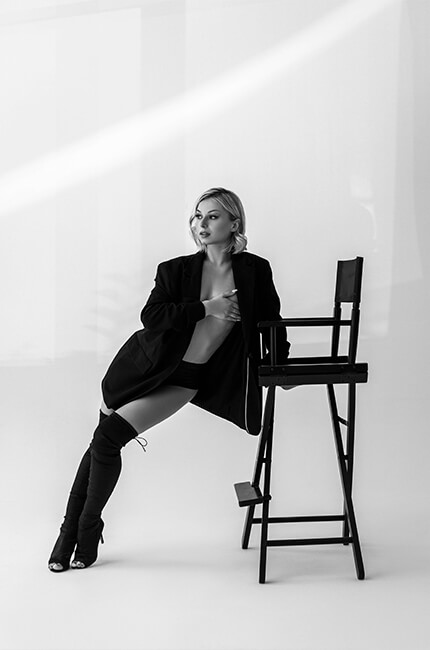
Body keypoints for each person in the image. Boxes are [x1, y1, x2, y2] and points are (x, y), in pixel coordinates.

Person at [48, 187, 290, 572]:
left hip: (185, 379)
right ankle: (71, 535)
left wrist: (281, 365)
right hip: (140, 369)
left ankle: (85, 528)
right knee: (100, 444)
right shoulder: (176, 270)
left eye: (212, 216)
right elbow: (152, 317)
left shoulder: (254, 271)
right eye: (198, 216)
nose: (201, 223)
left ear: (234, 223)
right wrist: (207, 307)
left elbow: (271, 321)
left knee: (106, 441)